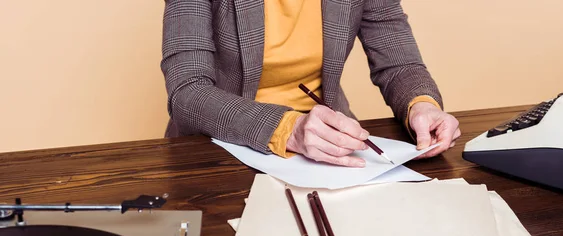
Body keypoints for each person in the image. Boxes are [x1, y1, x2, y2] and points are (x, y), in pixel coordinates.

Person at [160, 0, 460, 167]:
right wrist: (288, 129)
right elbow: (188, 91)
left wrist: (421, 105)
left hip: (330, 147)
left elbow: (400, 64)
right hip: (222, 145)